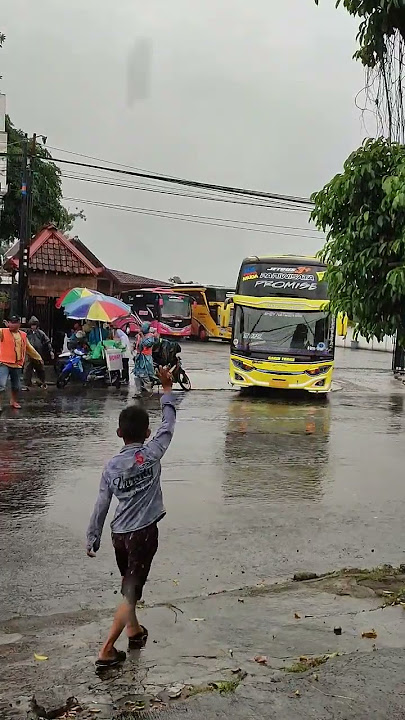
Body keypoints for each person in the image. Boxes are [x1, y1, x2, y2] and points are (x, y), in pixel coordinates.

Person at [86, 366, 176, 667]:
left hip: (119, 535)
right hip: (144, 534)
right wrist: (166, 389)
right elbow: (169, 424)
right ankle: (107, 649)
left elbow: (101, 502)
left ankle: (134, 631)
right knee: (130, 594)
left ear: (119, 433)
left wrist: (93, 537)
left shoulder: (112, 466)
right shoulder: (152, 453)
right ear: (147, 433)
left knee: (130, 585)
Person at [0, 316, 44, 412]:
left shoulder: (23, 335)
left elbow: (29, 348)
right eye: (10, 322)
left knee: (16, 386)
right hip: (4, 362)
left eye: (14, 323)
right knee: (1, 385)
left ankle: (13, 401)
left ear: (18, 324)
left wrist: (38, 357)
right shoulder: (3, 332)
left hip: (17, 364)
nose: (12, 324)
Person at [23, 316, 54, 389]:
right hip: (29, 354)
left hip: (38, 354)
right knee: (27, 369)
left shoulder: (41, 333)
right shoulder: (27, 333)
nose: (33, 327)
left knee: (40, 369)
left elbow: (47, 342)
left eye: (34, 325)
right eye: (32, 325)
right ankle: (27, 384)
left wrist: (51, 351)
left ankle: (42, 382)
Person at [133, 322, 156, 397]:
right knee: (137, 375)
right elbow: (138, 345)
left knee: (145, 375)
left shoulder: (151, 336)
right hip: (139, 358)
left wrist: (142, 336)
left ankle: (149, 391)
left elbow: (147, 344)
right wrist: (134, 346)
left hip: (146, 358)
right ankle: (138, 392)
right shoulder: (139, 336)